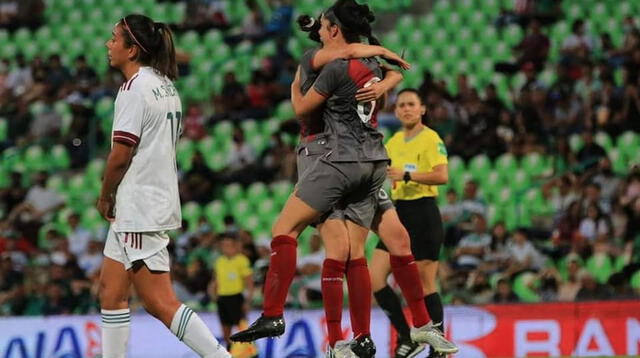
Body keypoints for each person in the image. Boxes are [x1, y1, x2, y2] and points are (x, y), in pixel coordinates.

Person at [97, 14, 230, 358]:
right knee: (111, 293)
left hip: (139, 205)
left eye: (114, 39)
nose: (108, 45)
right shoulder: (165, 84)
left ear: (132, 50)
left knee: (159, 302)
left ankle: (221, 356)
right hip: (148, 199)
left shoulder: (133, 89)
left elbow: (120, 156)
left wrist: (105, 194)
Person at [368, 88, 452, 358]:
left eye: (411, 104)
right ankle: (407, 336)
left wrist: (407, 176)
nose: (406, 109)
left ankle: (438, 348)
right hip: (397, 213)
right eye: (401, 105)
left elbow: (442, 176)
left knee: (426, 283)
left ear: (422, 109)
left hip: (423, 213)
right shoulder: (393, 142)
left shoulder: (431, 138)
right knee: (375, 278)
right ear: (396, 111)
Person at [209, 234, 254, 349]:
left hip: (236, 297)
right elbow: (215, 280)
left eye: (229, 245)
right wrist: (213, 293)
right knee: (225, 329)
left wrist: (248, 301)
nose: (226, 248)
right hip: (223, 298)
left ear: (235, 246)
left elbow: (249, 283)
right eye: (223, 245)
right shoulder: (219, 261)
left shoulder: (242, 260)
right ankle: (229, 351)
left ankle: (247, 353)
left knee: (242, 329)